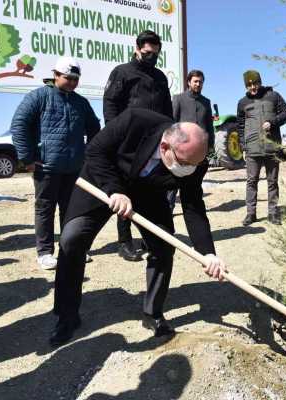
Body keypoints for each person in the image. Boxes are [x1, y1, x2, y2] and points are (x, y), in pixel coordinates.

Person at [50, 109, 226, 347]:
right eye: (185, 164)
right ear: (165, 147)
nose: (190, 170)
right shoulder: (136, 121)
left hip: (148, 194)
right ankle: (66, 316)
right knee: (71, 240)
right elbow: (95, 151)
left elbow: (193, 205)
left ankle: (152, 313)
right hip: (101, 181)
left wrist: (208, 253)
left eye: (195, 164)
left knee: (163, 249)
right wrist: (115, 190)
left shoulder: (193, 161)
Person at [11, 56, 100, 270]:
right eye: (68, 78)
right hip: (46, 167)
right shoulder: (38, 97)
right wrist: (28, 158)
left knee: (71, 210)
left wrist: (86, 155)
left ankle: (71, 249)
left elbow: (94, 130)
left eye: (75, 79)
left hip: (74, 168)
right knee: (45, 209)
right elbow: (19, 125)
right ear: (55, 75)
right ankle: (44, 252)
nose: (72, 82)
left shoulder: (81, 102)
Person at [103, 30, 173, 262]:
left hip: (155, 145)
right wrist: (115, 136)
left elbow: (167, 111)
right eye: (147, 53)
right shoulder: (122, 73)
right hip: (128, 143)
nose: (151, 57)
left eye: (155, 54)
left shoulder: (160, 78)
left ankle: (150, 237)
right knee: (126, 192)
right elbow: (111, 105)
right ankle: (125, 242)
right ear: (137, 48)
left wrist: (170, 136)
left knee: (153, 190)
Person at [237, 70, 286, 225]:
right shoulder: (242, 102)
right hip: (252, 149)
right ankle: (250, 214)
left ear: (260, 82)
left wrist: (272, 122)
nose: (253, 87)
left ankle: (273, 213)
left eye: (255, 83)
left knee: (272, 181)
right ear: (246, 85)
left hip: (271, 147)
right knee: (251, 181)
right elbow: (240, 126)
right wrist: (242, 145)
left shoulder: (273, 96)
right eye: (249, 85)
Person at [168, 69, 215, 211]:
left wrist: (210, 145)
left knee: (194, 185)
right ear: (189, 82)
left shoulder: (206, 102)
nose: (198, 84)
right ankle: (168, 212)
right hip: (180, 152)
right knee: (174, 185)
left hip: (199, 153)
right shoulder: (178, 99)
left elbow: (209, 126)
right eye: (195, 81)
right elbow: (172, 123)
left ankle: (194, 210)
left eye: (201, 82)